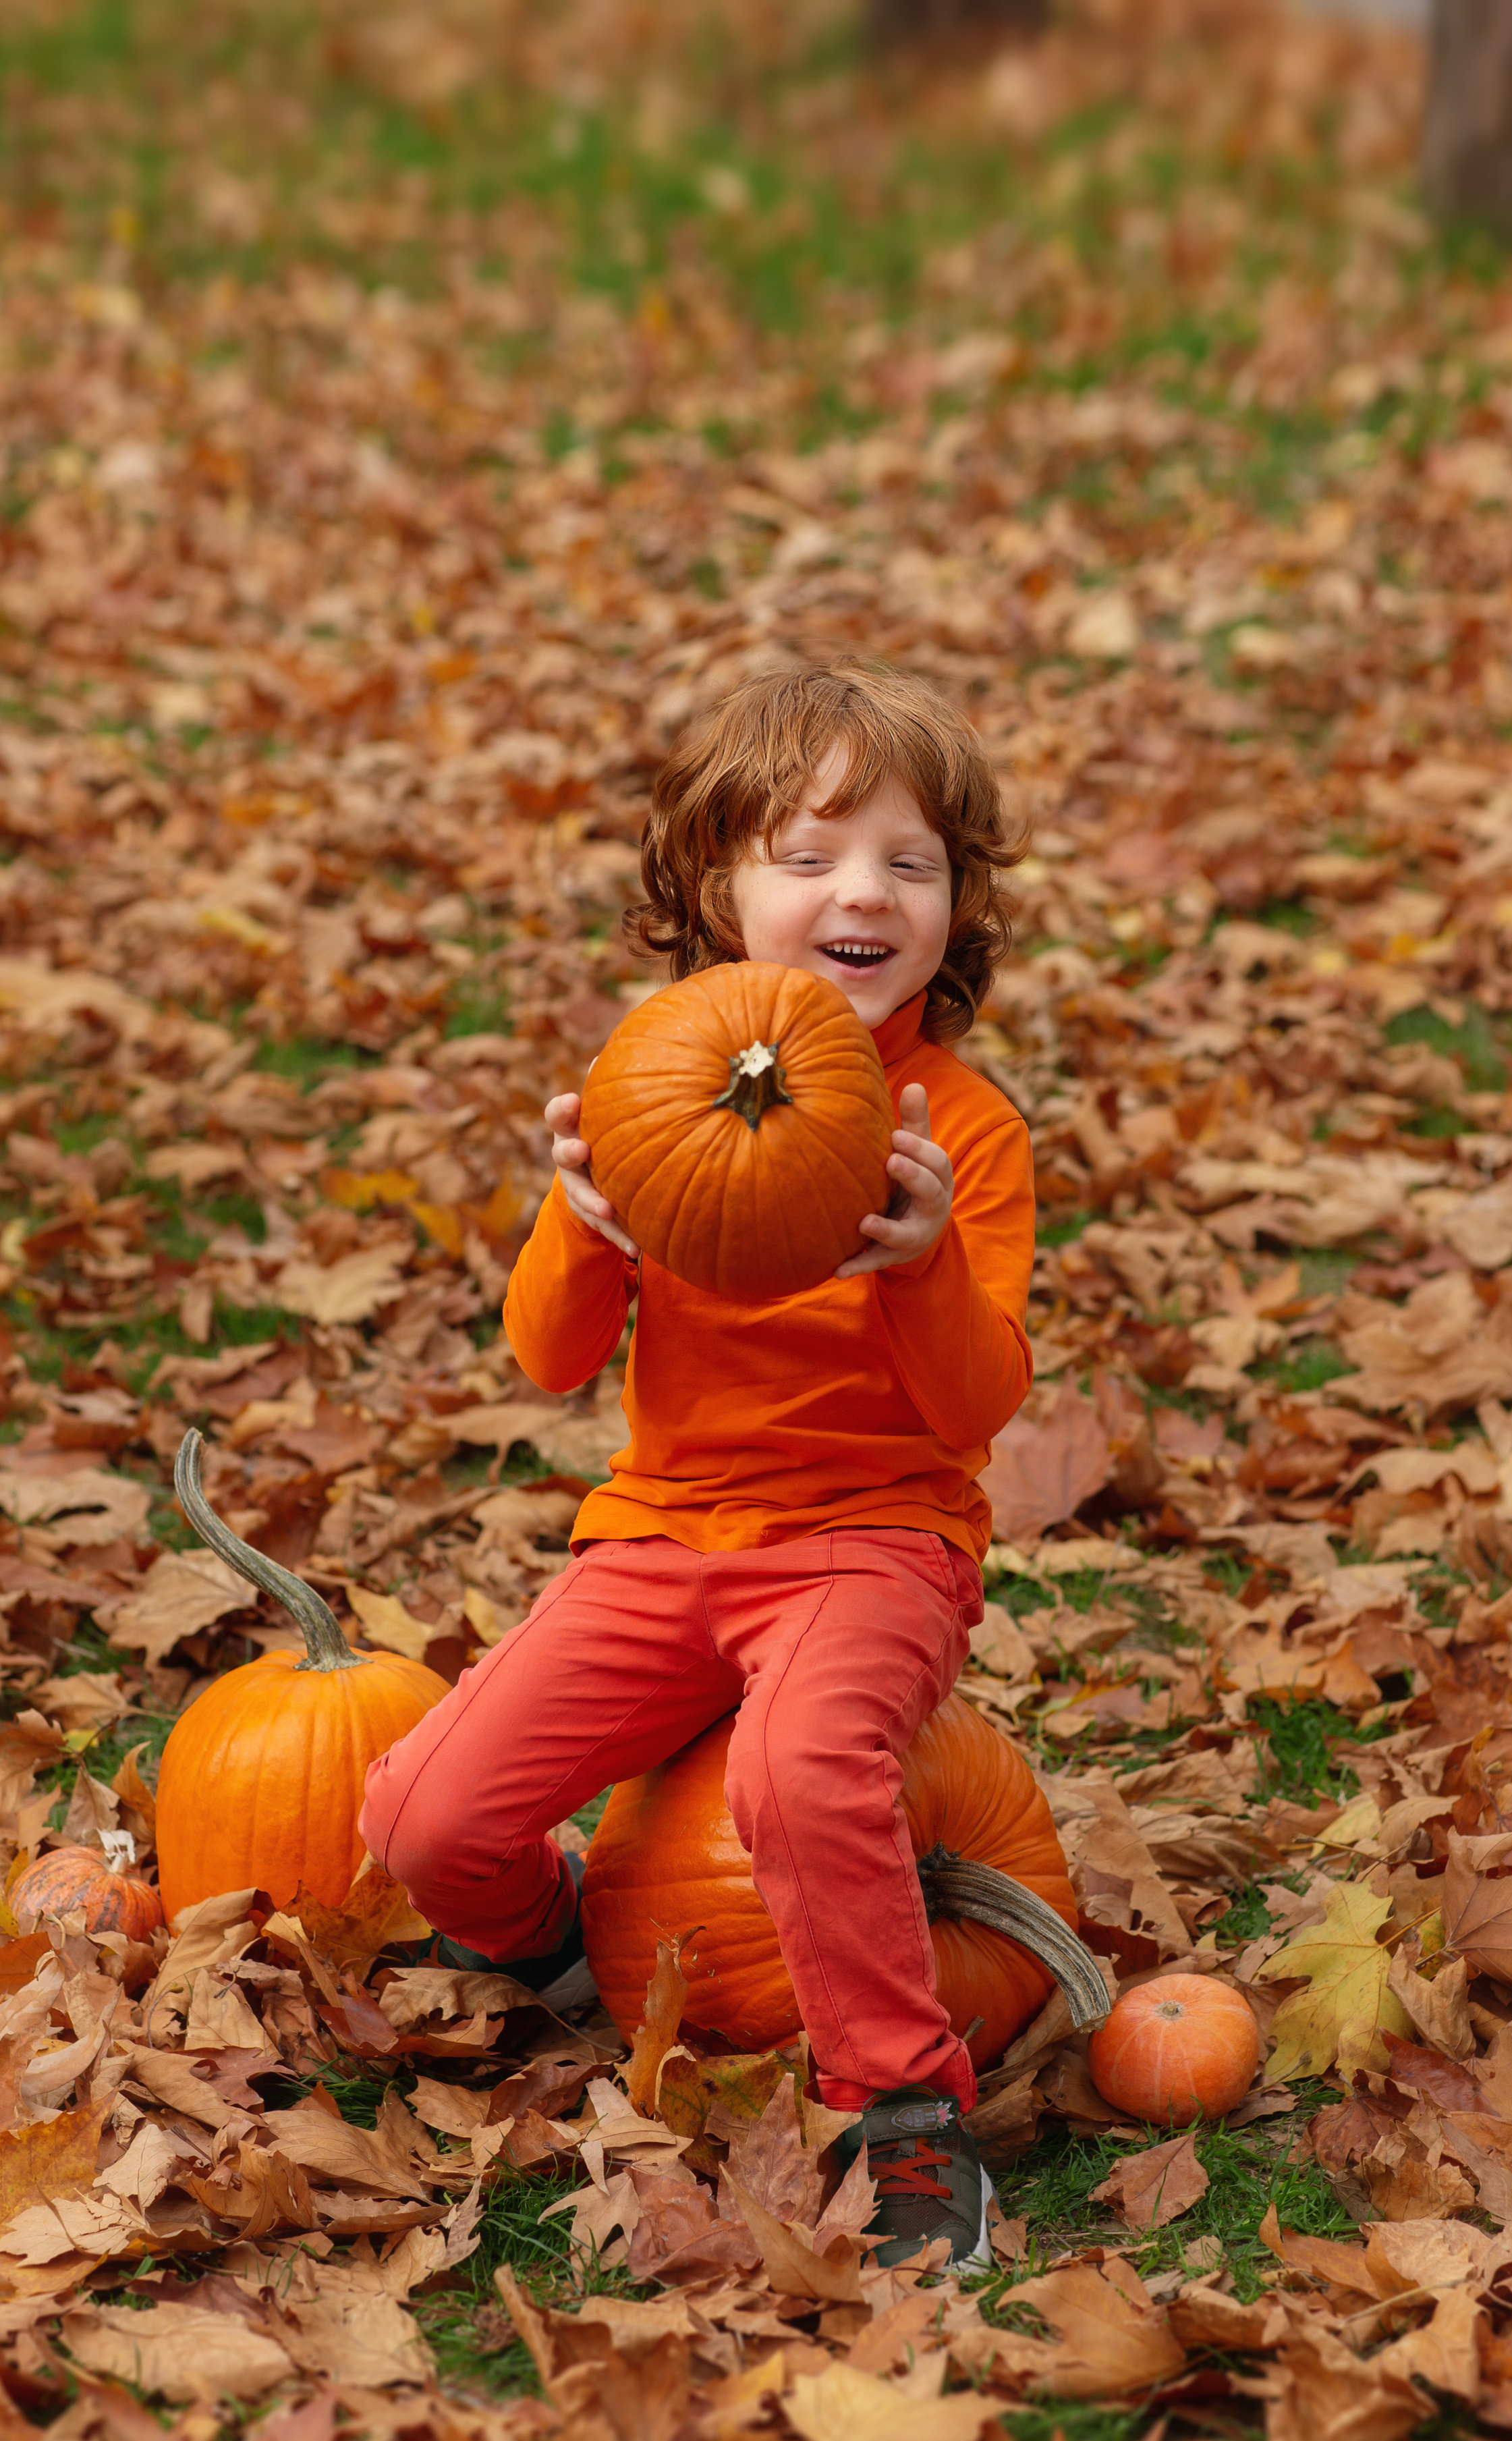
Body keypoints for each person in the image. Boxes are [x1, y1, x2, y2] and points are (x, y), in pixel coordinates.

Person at [360, 661, 1034, 2265]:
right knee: (424, 1818)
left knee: (797, 1774)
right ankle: (579, 1958)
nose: (859, 892)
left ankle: (906, 2112)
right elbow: (547, 1359)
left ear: (955, 905)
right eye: (806, 858)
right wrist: (579, 1222)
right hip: (664, 1536)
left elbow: (971, 1411)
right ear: (717, 894)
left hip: (874, 1537)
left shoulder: (962, 1132)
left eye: (908, 864)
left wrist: (918, 1257)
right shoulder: (658, 1086)